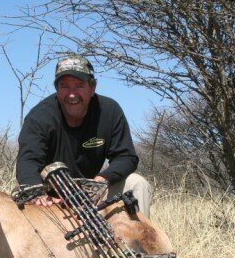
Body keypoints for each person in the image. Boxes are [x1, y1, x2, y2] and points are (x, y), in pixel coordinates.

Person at [16, 53, 153, 218]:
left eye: (79, 86)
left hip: (93, 194)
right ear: (57, 89)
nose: (72, 94)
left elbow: (126, 156)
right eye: (64, 86)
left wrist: (101, 180)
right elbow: (28, 161)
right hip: (52, 201)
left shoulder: (109, 111)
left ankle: (139, 243)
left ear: (92, 88)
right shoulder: (40, 116)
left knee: (137, 183)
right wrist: (37, 192)